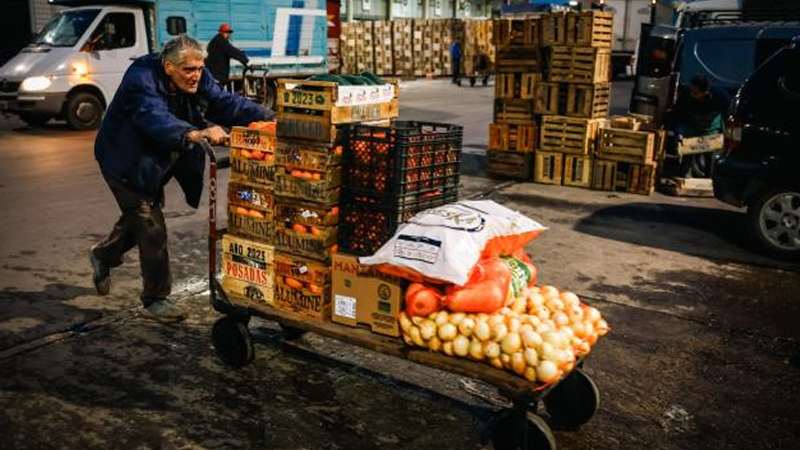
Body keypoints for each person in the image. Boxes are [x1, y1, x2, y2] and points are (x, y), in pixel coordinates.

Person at [89, 35, 273, 323]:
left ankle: (103, 255)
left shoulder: (198, 75)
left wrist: (270, 117)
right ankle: (155, 299)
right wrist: (196, 134)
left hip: (159, 158)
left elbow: (225, 104)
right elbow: (153, 118)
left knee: (139, 216)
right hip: (125, 160)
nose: (196, 76)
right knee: (150, 225)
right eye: (189, 70)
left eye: (200, 69)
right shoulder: (141, 78)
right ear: (168, 66)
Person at [668, 75, 730, 177]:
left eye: (696, 93)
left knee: (709, 155)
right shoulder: (685, 94)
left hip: (711, 126)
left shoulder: (720, 95)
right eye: (691, 90)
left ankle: (708, 180)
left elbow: (728, 112)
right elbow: (678, 114)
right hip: (692, 124)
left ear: (705, 92)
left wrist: (726, 130)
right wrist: (678, 132)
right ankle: (685, 176)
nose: (692, 94)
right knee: (688, 151)